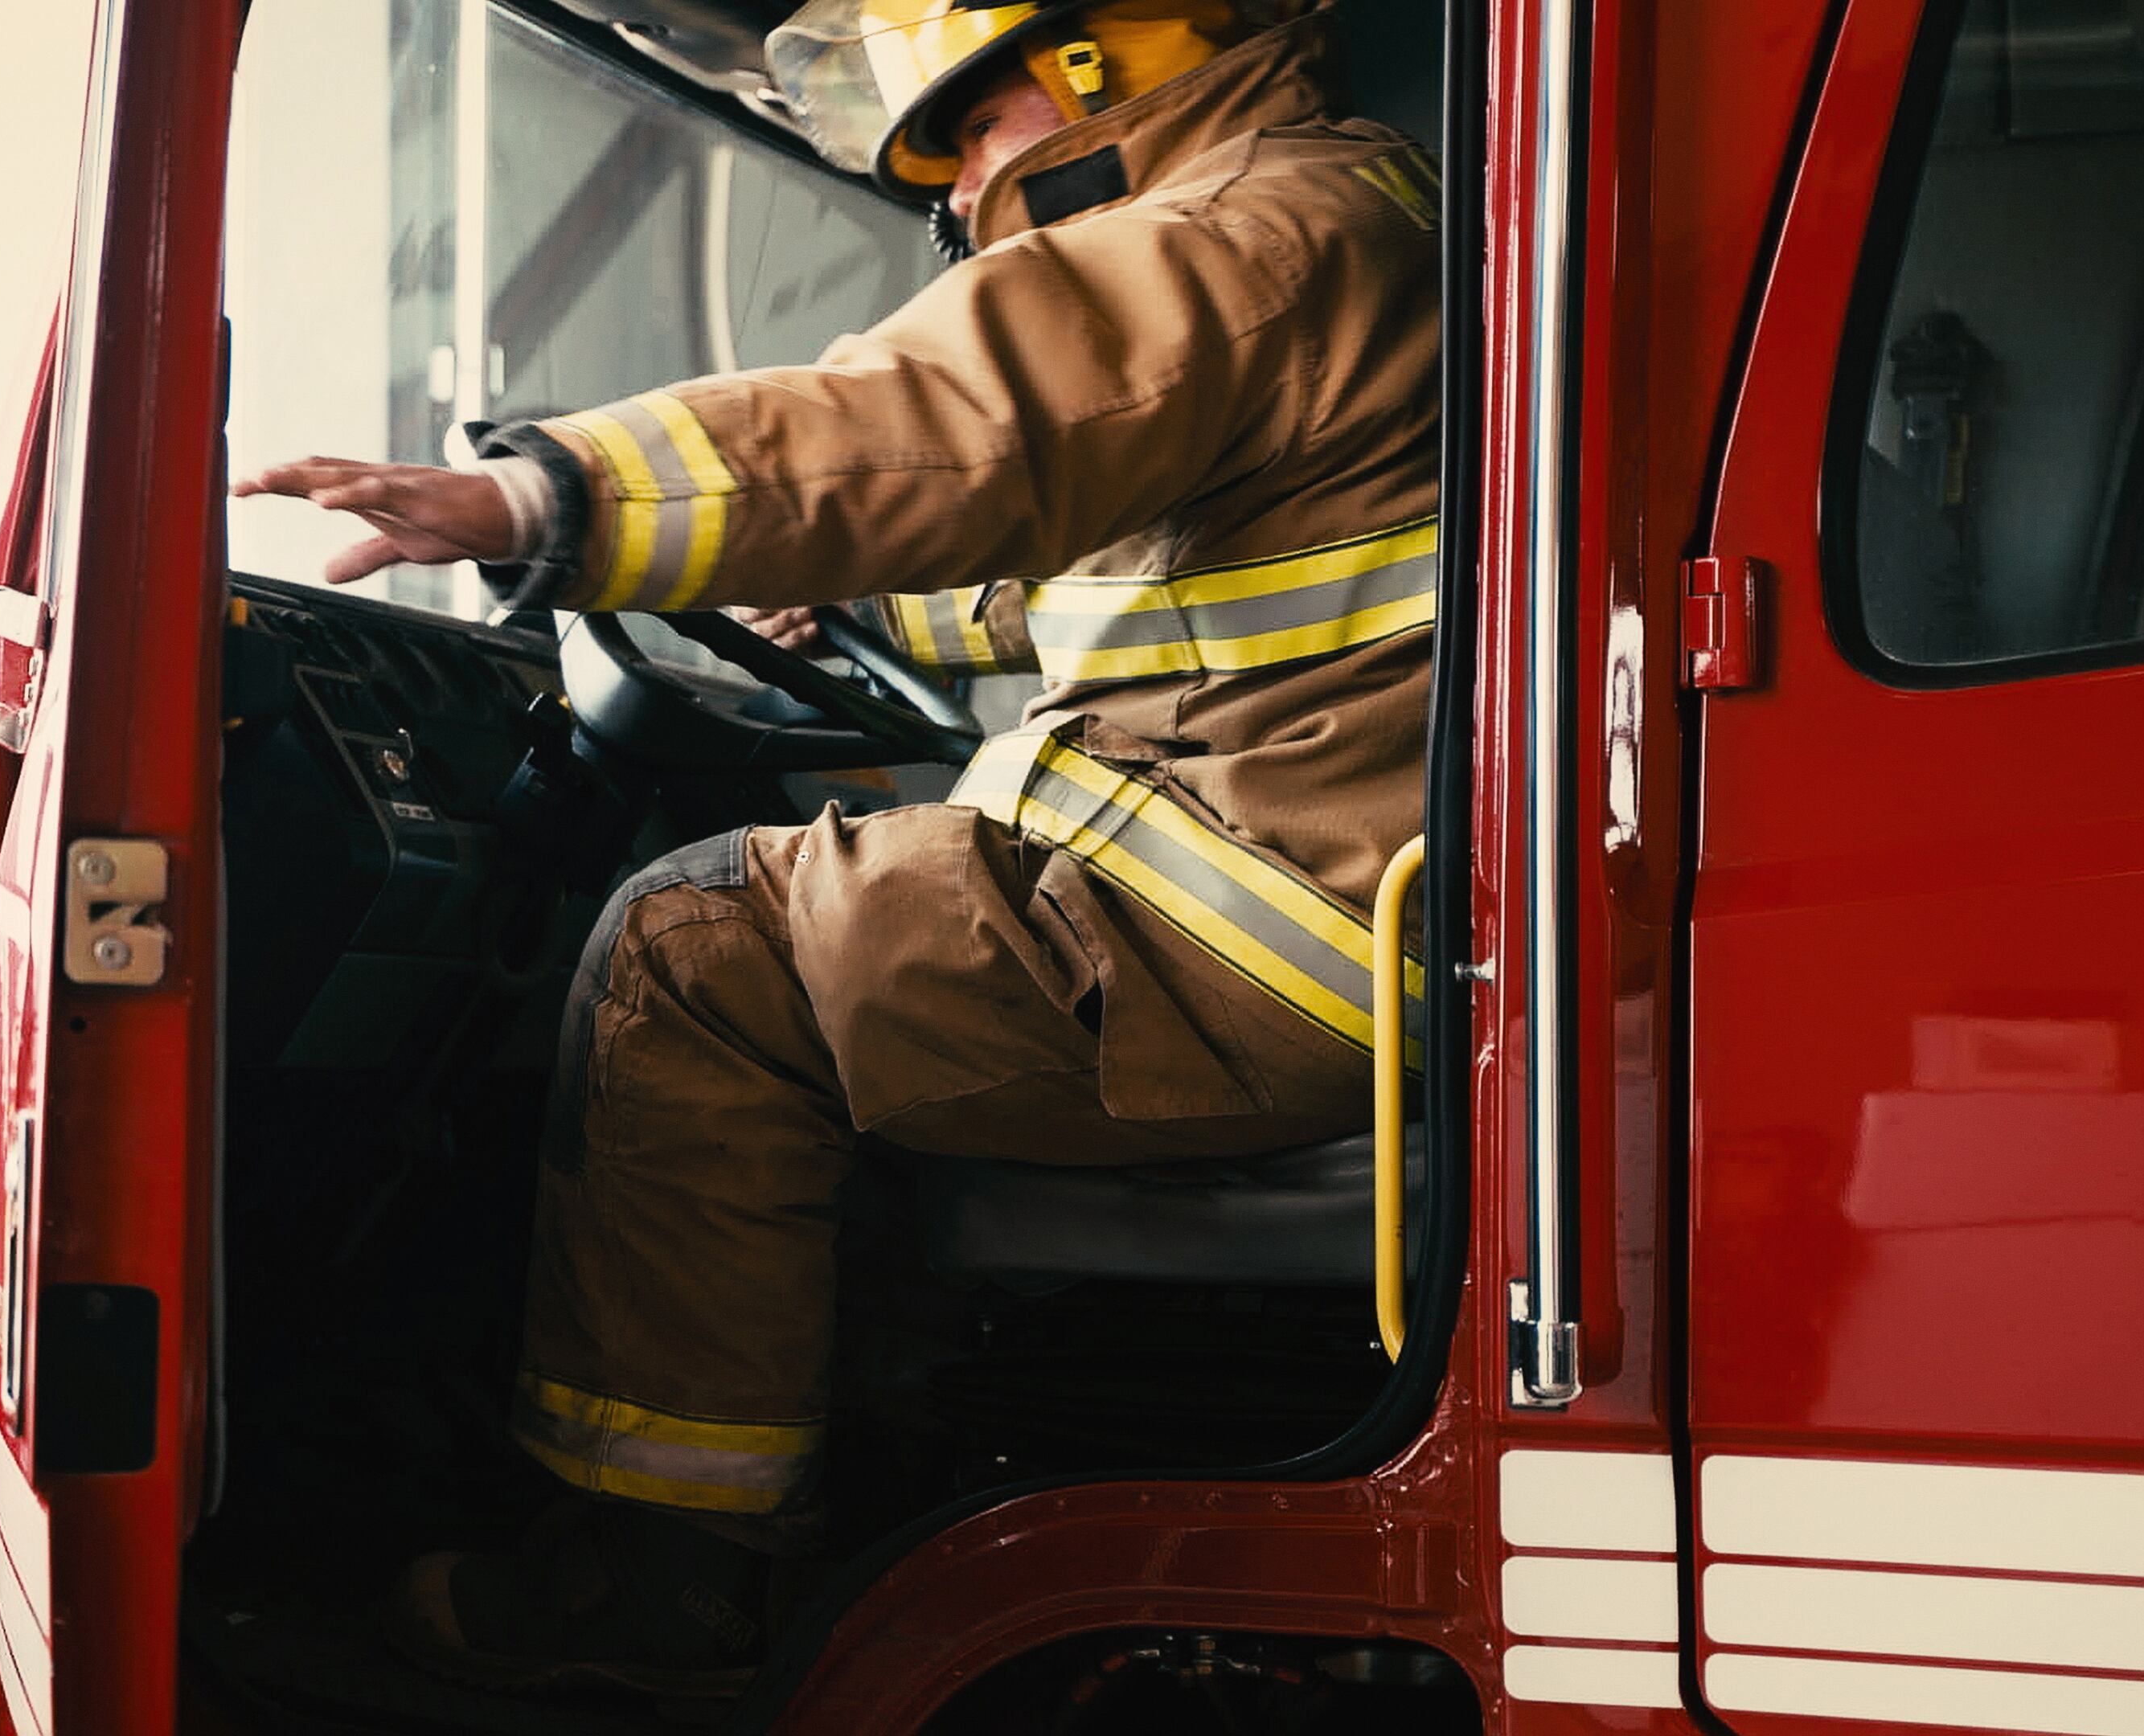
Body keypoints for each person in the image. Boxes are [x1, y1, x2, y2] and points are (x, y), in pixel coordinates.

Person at [236, 0, 1439, 1697]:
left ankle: (643, 1579)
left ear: (1090, 69)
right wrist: (856, 593)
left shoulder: (1237, 234)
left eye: (964, 126)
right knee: (807, 910)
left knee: (694, 951)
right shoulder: (1358, 206)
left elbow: (964, 417)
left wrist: (545, 502)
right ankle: (849, 1439)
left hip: (1253, 926)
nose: (958, 186)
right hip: (1328, 888)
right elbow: (1130, 567)